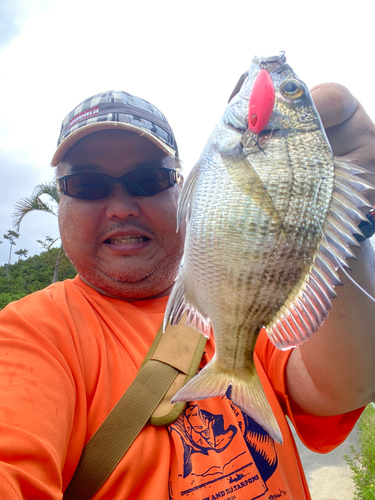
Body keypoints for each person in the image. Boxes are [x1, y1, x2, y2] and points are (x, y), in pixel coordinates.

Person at [0, 84, 374, 500]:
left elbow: (343, 388)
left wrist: (341, 208)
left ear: (185, 188)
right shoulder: (30, 335)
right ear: (61, 203)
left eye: (148, 180)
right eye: (88, 184)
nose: (121, 206)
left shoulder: (238, 300)